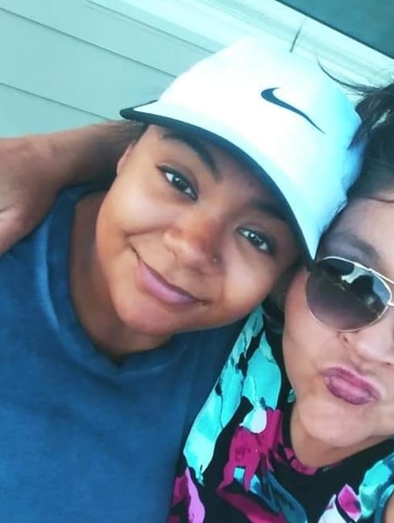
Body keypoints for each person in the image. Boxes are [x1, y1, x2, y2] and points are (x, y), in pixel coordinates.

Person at [1, 74, 394, 523]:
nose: (372, 348)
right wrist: (49, 156)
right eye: (352, 282)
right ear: (294, 273)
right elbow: (201, 155)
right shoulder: (245, 321)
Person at [0, 37, 363, 521]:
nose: (192, 248)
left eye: (256, 237)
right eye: (178, 181)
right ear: (126, 155)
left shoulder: (251, 374)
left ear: (283, 277)